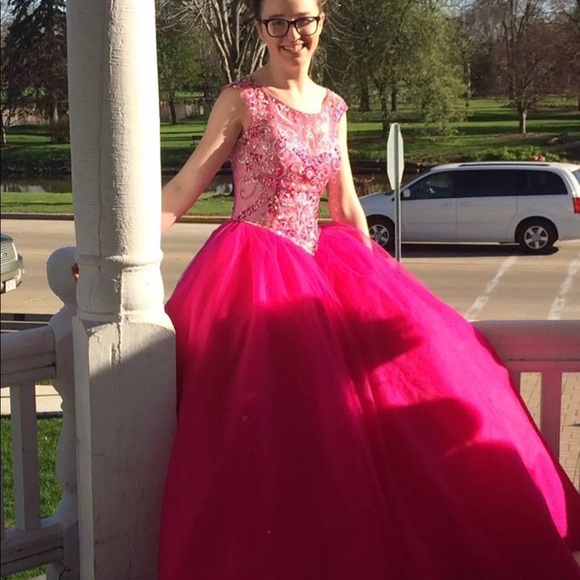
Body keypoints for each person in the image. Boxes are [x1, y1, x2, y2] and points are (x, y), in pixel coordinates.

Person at [158, 0, 580, 577]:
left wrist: (381, 278)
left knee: (402, 385)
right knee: (266, 429)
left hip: (319, 264)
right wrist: (119, 251)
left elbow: (346, 204)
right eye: (277, 22)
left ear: (320, 21)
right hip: (253, 271)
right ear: (258, 28)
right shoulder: (242, 99)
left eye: (302, 20)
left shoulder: (333, 107)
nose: (291, 34)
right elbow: (185, 186)